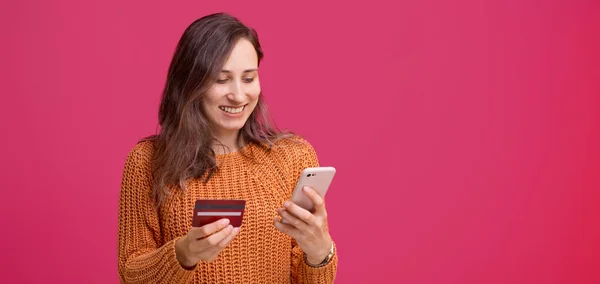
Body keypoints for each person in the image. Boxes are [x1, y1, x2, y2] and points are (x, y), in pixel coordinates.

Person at [117, 12, 338, 283]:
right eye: (221, 80)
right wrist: (184, 253)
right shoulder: (148, 161)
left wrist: (319, 252)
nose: (238, 95)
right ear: (190, 83)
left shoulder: (293, 155)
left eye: (248, 78)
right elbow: (130, 274)